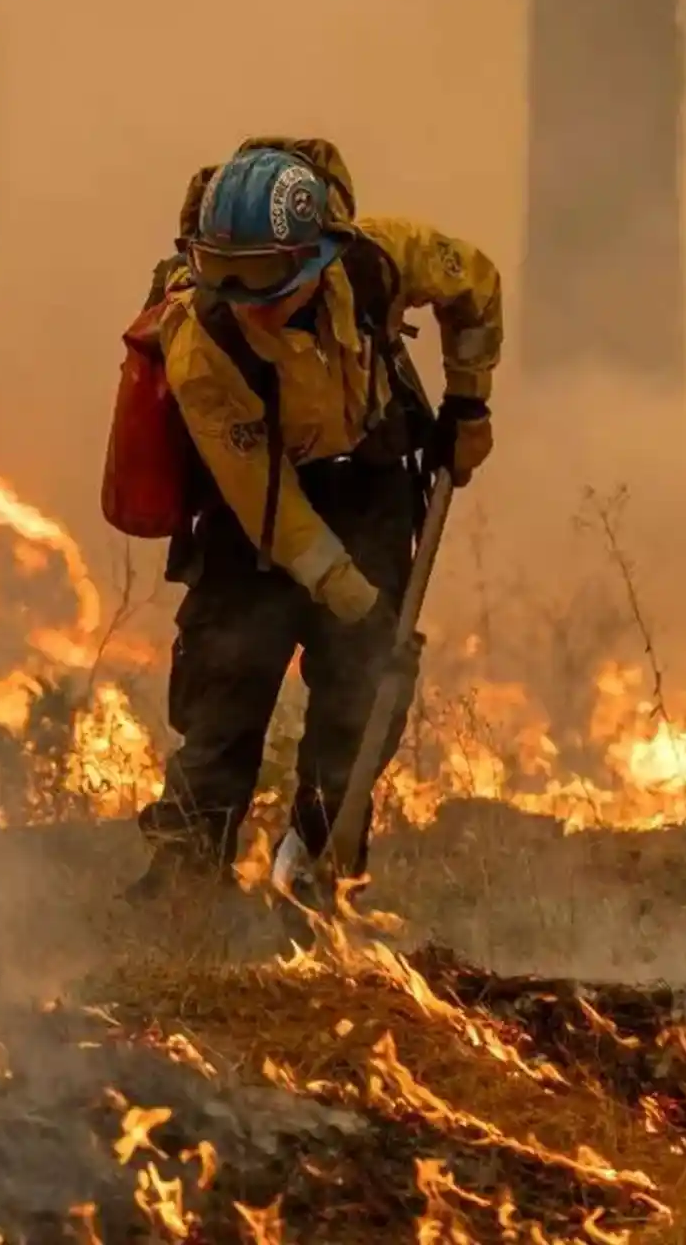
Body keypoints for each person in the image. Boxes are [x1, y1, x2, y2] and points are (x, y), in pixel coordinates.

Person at [124, 137, 503, 904]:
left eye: (263, 276)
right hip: (252, 520)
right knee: (225, 696)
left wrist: (468, 398)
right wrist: (347, 592)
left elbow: (478, 284)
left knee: (365, 694)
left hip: (369, 482)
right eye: (221, 273)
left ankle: (320, 878)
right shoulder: (203, 343)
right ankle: (182, 892)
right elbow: (266, 502)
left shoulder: (379, 261)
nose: (242, 298)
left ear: (315, 255)